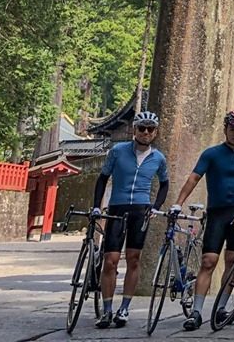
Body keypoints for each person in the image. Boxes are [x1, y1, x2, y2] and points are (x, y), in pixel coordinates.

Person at [171, 109, 234, 330]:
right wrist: (178, 202)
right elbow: (194, 178)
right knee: (208, 262)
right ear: (225, 129)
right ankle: (196, 312)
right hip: (217, 213)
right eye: (232, 129)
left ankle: (221, 308)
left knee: (232, 263)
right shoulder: (211, 154)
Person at [91, 110, 170, 328]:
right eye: (142, 128)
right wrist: (97, 206)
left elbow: (164, 183)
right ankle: (107, 309)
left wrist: (155, 207)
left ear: (155, 132)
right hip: (117, 207)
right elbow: (103, 177)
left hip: (141, 210)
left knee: (134, 259)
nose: (146, 132)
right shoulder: (117, 151)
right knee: (111, 260)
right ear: (134, 129)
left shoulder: (158, 158)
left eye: (150, 129)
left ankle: (124, 308)